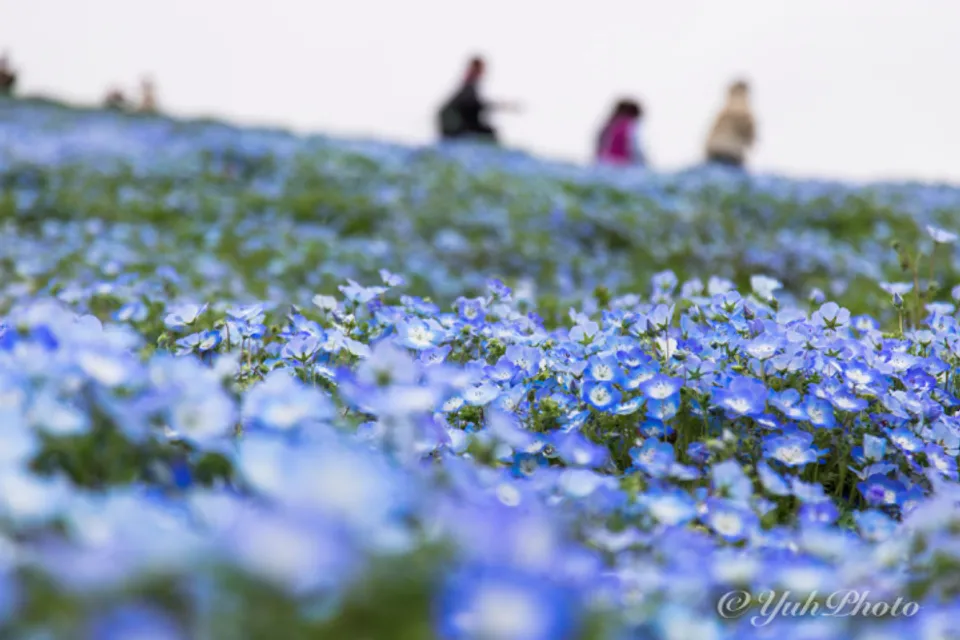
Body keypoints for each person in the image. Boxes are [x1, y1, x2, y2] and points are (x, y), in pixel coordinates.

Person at [436, 56, 518, 144]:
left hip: (457, 124)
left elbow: (475, 106)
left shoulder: (470, 85)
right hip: (455, 126)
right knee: (489, 133)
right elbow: (473, 105)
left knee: (488, 131)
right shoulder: (468, 85)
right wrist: (501, 106)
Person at [705, 79, 756, 168]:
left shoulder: (724, 110)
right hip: (733, 153)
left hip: (714, 150)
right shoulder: (744, 111)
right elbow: (750, 137)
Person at [596, 99, 646, 166]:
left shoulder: (610, 124)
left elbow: (600, 144)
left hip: (605, 163)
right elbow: (635, 147)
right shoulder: (630, 125)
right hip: (623, 165)